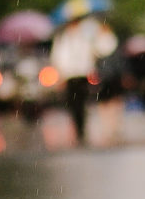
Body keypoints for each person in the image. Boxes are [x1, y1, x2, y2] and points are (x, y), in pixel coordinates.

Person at [50, 15, 117, 145]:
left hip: (83, 75)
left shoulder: (86, 38)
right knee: (73, 104)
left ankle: (82, 129)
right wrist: (60, 75)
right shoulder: (63, 39)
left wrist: (102, 34)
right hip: (69, 76)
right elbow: (58, 58)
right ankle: (78, 129)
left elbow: (103, 49)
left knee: (82, 103)